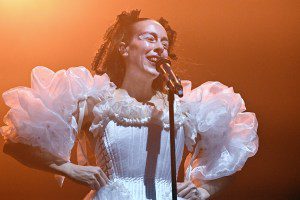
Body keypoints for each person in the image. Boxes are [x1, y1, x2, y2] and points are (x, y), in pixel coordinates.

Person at [0, 10, 258, 200]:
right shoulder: (97, 102)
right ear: (124, 48)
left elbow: (235, 149)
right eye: (149, 39)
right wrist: (69, 168)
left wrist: (203, 191)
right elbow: (16, 143)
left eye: (164, 43)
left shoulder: (181, 107)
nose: (159, 48)